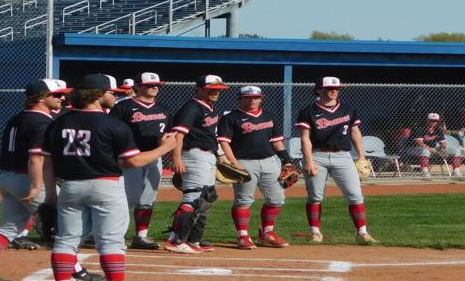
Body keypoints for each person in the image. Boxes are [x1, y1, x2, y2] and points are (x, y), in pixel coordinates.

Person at [45, 73, 179, 281]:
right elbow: (133, 162)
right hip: (106, 184)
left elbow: (46, 160)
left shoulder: (59, 122)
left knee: (66, 241)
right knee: (111, 242)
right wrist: (166, 148)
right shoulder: (113, 124)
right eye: (111, 93)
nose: (115, 97)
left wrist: (49, 192)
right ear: (97, 94)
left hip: (71, 185)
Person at [0, 78, 103, 281]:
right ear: (41, 98)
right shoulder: (42, 122)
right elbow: (36, 158)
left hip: (7, 178)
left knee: (11, 226)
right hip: (28, 178)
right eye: (57, 95)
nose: (62, 98)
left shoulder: (17, 118)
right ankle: (77, 273)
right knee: (65, 228)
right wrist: (36, 185)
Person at [295, 76, 375, 244]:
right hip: (318, 156)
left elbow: (355, 132)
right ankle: (316, 232)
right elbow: (305, 138)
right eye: (329, 88)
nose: (334, 91)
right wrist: (309, 161)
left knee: (355, 195)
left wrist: (362, 155)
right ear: (319, 89)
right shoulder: (308, 111)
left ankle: (362, 233)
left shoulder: (348, 109)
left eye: (337, 88)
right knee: (315, 197)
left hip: (343, 156)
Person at [160, 73, 233, 254]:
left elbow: (210, 135)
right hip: (193, 155)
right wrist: (176, 159)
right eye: (211, 89)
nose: (216, 92)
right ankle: (176, 240)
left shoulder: (210, 107)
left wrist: (221, 156)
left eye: (218, 89)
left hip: (208, 155)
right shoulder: (192, 107)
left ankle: (193, 239)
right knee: (194, 198)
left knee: (208, 197)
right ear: (200, 89)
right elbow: (178, 135)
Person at [217, 85, 293, 249]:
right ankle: (243, 236)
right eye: (248, 97)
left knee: (277, 199)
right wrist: (234, 163)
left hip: (270, 161)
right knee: (244, 200)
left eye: (256, 97)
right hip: (244, 162)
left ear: (261, 98)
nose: (252, 100)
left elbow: (277, 141)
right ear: (241, 99)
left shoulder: (269, 116)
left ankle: (267, 233)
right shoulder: (231, 118)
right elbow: (224, 142)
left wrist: (286, 160)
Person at [109, 71, 169, 250]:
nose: (154, 88)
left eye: (157, 85)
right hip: (129, 157)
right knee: (126, 198)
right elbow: (111, 133)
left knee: (148, 199)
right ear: (137, 86)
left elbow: (168, 135)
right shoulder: (123, 107)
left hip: (154, 156)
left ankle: (141, 236)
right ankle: (115, 235)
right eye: (149, 85)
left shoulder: (163, 109)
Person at [409, 113, 463, 179]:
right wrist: (430, 149)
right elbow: (419, 143)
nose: (434, 122)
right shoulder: (420, 128)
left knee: (455, 150)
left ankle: (456, 171)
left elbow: (443, 143)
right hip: (414, 149)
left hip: (432, 148)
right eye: (431, 120)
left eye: (436, 121)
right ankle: (425, 172)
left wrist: (443, 148)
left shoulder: (438, 129)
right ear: (427, 120)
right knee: (425, 151)